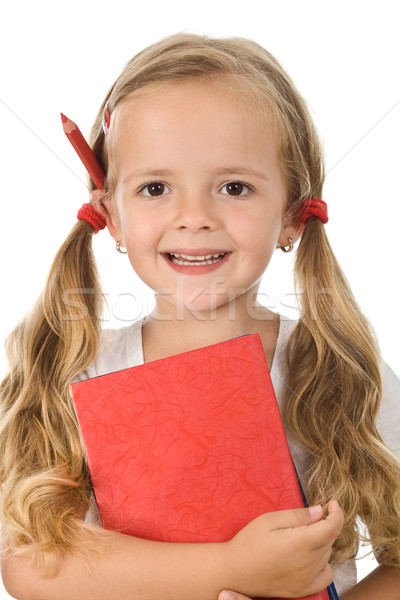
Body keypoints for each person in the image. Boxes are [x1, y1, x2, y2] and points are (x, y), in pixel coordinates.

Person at [1, 32, 399, 600]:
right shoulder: (78, 371)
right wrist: (232, 568)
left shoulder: (337, 370)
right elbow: (31, 565)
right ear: (109, 215)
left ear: (292, 216)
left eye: (234, 187)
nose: (194, 217)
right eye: (155, 187)